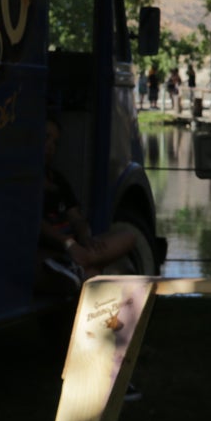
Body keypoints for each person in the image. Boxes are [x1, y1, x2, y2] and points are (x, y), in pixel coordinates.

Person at [39, 116, 140, 293]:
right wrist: (67, 244)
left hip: (76, 248)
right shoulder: (26, 183)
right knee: (93, 275)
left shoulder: (58, 180)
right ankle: (74, 268)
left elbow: (75, 216)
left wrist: (84, 235)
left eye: (55, 143)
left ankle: (74, 267)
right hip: (51, 249)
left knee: (128, 237)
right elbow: (35, 222)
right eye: (46, 138)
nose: (50, 147)